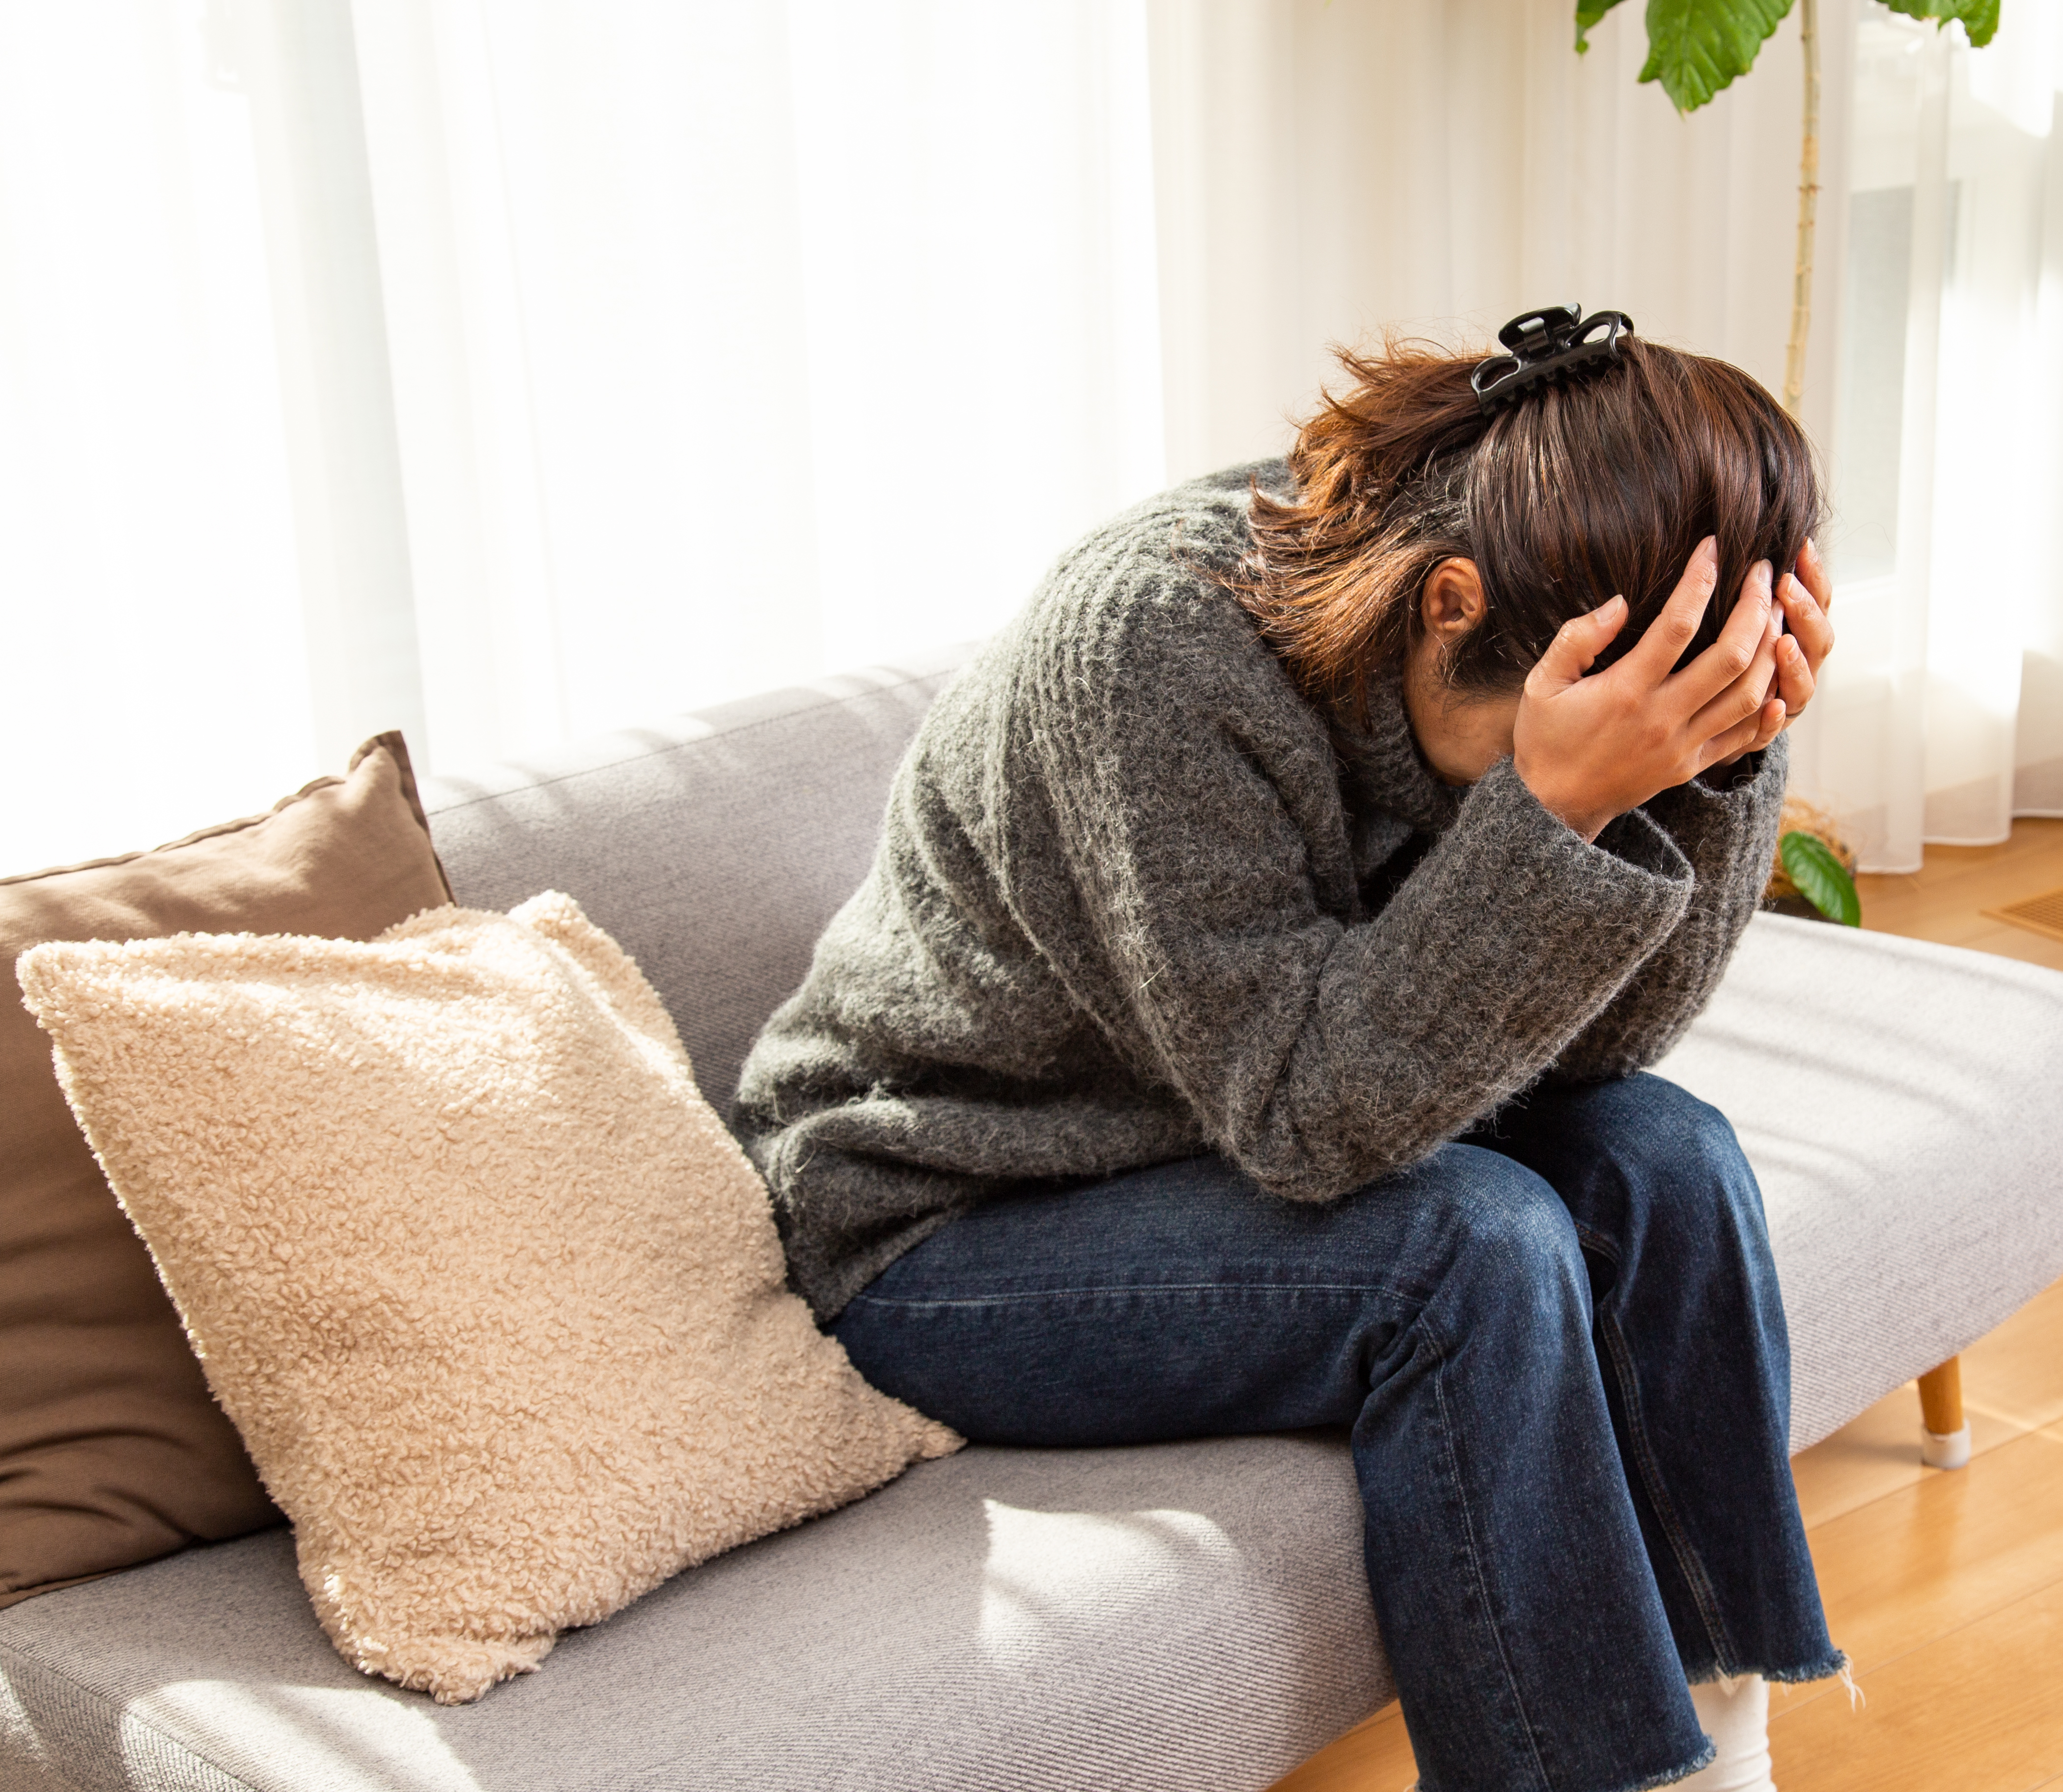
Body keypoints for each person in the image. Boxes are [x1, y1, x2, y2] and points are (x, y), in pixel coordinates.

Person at [735, 305, 1843, 1792]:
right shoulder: (1151, 646)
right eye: (1598, 730)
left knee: (1669, 1158)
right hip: (949, 1213)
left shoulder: (1502, 582)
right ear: (1452, 604)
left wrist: (1718, 768)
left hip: (1215, 1134)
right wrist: (1557, 816)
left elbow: (1600, 1057)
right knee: (1469, 1245)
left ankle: (1719, 1757)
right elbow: (1305, 1124)